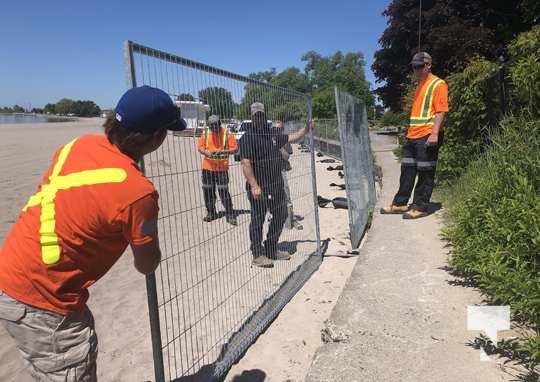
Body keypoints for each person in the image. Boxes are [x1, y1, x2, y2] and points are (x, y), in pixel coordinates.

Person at [0, 85, 186, 381]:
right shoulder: (138, 193)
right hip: (47, 300)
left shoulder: (77, 145)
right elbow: (147, 264)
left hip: (10, 275)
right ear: (156, 137)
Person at [240, 102, 313, 268]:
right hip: (259, 187)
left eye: (261, 115)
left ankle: (272, 248)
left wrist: (306, 129)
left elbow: (292, 137)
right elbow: (245, 163)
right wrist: (254, 185)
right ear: (252, 118)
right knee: (257, 220)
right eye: (255, 115)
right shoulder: (247, 137)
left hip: (275, 185)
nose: (259, 118)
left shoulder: (271, 135)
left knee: (280, 214)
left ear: (264, 116)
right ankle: (257, 254)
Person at [380, 52, 449, 219]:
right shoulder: (420, 85)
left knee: (425, 172)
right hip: (413, 136)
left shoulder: (438, 84)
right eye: (414, 66)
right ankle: (400, 203)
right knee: (407, 170)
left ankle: (420, 206)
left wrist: (434, 134)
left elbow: (441, 111)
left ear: (428, 65)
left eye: (419, 66)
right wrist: (409, 133)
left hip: (427, 135)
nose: (416, 69)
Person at [198, 114, 238, 225]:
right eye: (212, 126)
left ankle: (230, 214)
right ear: (209, 126)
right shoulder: (206, 133)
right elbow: (200, 147)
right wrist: (205, 152)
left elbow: (235, 148)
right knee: (208, 191)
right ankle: (211, 212)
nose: (215, 128)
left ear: (220, 123)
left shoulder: (227, 133)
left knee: (223, 191)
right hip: (207, 168)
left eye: (216, 125)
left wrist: (223, 152)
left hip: (222, 168)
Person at [273, 120, 303, 230]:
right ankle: (273, 216)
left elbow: (286, 156)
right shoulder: (267, 139)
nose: (277, 131)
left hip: (281, 170)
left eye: (279, 129)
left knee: (286, 193)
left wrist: (278, 147)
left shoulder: (285, 140)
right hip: (269, 171)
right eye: (275, 129)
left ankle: (290, 218)